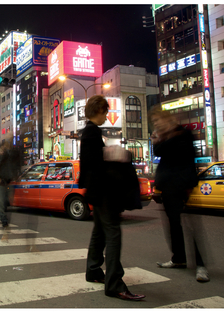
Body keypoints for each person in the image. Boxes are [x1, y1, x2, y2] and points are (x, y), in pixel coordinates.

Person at [79, 95, 145, 301]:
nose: (107, 115)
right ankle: (115, 284)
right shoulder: (92, 132)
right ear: (98, 111)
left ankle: (93, 270)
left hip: (96, 191)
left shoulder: (89, 131)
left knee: (99, 232)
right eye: (105, 111)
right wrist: (115, 157)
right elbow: (95, 163)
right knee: (113, 235)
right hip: (103, 191)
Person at [150, 107, 205, 281]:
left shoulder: (183, 134)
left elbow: (187, 158)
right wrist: (157, 140)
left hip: (182, 185)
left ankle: (201, 265)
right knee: (173, 224)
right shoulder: (165, 137)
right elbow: (158, 153)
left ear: (166, 119)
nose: (156, 124)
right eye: (154, 122)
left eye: (158, 120)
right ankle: (178, 259)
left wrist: (162, 139)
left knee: (190, 226)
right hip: (167, 187)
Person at [0, 141, 21, 238]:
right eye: (1, 148)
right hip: (2, 183)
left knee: (4, 205)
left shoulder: (7, 156)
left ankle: (5, 225)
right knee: (2, 205)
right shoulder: (1, 157)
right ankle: (5, 225)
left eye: (3, 148)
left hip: (6, 182)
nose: (2, 150)